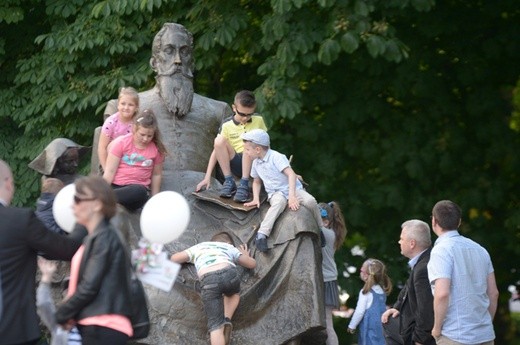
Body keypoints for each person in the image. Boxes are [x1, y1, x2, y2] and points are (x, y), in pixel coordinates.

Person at [0, 158, 85, 345]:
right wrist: (83, 218)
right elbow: (68, 249)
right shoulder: (20, 220)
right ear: (7, 183)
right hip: (13, 330)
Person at [55, 176, 133, 344]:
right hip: (94, 325)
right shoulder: (97, 237)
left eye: (77, 199)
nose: (72, 204)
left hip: (104, 326)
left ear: (97, 204)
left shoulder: (105, 237)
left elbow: (90, 287)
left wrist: (62, 313)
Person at [427, 200, 499, 345]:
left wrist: (436, 328)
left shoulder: (441, 251)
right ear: (459, 222)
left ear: (434, 221)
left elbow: (442, 294)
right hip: (485, 335)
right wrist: (485, 322)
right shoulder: (480, 249)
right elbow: (493, 293)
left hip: (455, 335)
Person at [242, 129, 322, 252]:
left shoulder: (277, 157)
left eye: (247, 149)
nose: (245, 153)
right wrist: (256, 198)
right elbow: (257, 181)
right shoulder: (256, 163)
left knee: (310, 201)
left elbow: (291, 175)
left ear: (257, 149)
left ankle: (319, 228)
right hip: (275, 192)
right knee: (278, 203)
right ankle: (262, 234)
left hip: (292, 189)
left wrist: (292, 196)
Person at [170, 232, 256, 345]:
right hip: (229, 275)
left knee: (215, 326)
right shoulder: (229, 247)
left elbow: (174, 258)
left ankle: (220, 324)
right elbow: (252, 264)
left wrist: (189, 258)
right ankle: (226, 319)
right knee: (234, 294)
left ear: (211, 241)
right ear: (228, 243)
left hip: (209, 281)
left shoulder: (200, 247)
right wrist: (244, 254)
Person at [195, 90, 267, 202]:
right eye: (242, 114)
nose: (245, 118)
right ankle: (229, 180)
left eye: (249, 114)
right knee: (219, 140)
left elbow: (266, 145)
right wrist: (207, 176)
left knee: (248, 143)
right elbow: (217, 149)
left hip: (255, 162)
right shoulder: (227, 125)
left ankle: (244, 183)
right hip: (236, 161)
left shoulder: (258, 120)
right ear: (234, 108)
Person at [381, 220, 435, 345]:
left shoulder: (423, 268)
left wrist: (420, 340)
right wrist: (396, 308)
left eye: (401, 239)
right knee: (389, 319)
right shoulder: (422, 261)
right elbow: (407, 289)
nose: (399, 242)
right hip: (412, 326)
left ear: (412, 243)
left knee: (388, 323)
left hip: (419, 335)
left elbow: (426, 309)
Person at [103, 109, 166, 212]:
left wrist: (154, 200)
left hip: (137, 192)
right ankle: (103, 197)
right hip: (117, 187)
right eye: (142, 134)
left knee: (140, 191)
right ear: (134, 129)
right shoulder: (121, 143)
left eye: (149, 136)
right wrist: (102, 189)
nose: (145, 139)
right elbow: (110, 171)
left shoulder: (156, 150)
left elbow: (156, 175)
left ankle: (105, 199)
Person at [319, 201, 347, 345]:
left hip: (326, 281)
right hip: (327, 280)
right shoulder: (331, 233)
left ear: (326, 221)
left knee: (328, 324)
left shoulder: (325, 233)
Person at [36, 257, 82, 345]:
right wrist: (46, 277)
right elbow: (43, 304)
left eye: (75, 288)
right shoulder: (59, 324)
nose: (70, 293)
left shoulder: (92, 323)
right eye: (67, 290)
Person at [347, 258, 392, 345]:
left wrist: (352, 325)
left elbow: (360, 311)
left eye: (361, 270)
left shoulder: (366, 292)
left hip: (369, 327)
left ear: (365, 275)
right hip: (381, 326)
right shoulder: (381, 290)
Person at [98, 86, 140, 172]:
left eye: (130, 105)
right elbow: (102, 148)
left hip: (131, 158)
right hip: (111, 160)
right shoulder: (111, 122)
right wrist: (106, 169)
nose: (126, 107)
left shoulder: (138, 123)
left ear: (136, 107)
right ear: (118, 105)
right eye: (123, 104)